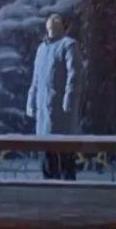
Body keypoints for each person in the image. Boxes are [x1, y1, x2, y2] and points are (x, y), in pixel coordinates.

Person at [26, 13, 82, 180]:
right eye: (51, 21)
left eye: (57, 21)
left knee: (65, 152)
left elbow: (74, 74)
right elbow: (36, 78)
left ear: (63, 26)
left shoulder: (69, 45)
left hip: (61, 111)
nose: (53, 22)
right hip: (43, 110)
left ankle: (68, 188)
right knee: (46, 152)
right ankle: (48, 186)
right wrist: (31, 101)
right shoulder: (42, 49)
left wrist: (69, 99)